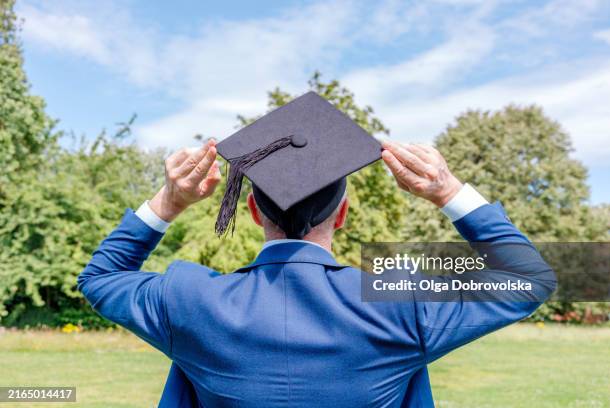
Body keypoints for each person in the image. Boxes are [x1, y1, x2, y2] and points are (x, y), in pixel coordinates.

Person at [78, 92, 556, 407]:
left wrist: (168, 202)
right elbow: (528, 279)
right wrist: (448, 191)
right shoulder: (396, 300)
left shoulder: (190, 300)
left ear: (253, 211)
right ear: (342, 214)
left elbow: (99, 278)